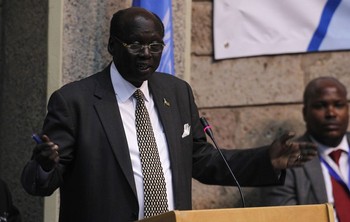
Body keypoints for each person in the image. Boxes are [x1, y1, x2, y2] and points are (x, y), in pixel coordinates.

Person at [21, 7, 317, 222]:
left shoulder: (176, 93)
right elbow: (39, 184)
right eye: (135, 44)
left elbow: (202, 160)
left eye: (155, 45)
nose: (146, 53)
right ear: (113, 46)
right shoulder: (74, 102)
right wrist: (44, 166)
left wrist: (266, 160)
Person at [260, 76, 350, 222]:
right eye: (320, 106)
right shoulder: (284, 161)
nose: (331, 113)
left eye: (338, 105)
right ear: (305, 113)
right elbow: (284, 218)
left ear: (347, 109)